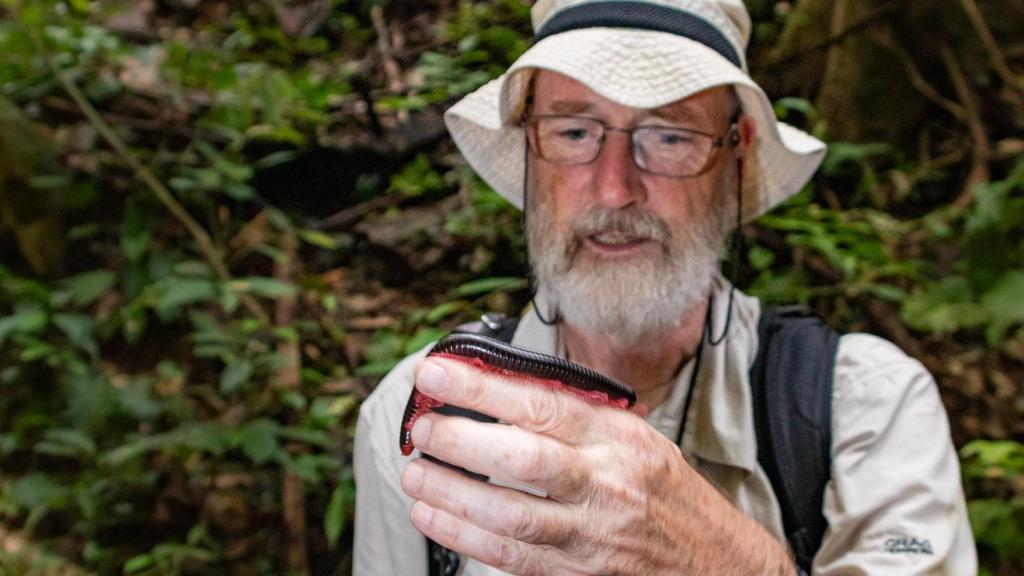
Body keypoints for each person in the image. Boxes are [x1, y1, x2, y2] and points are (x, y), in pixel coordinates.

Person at [353, 0, 977, 574]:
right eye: (574, 133)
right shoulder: (418, 414)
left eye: (670, 136)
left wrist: (716, 559)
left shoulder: (866, 406)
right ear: (528, 151)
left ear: (736, 158)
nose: (614, 189)